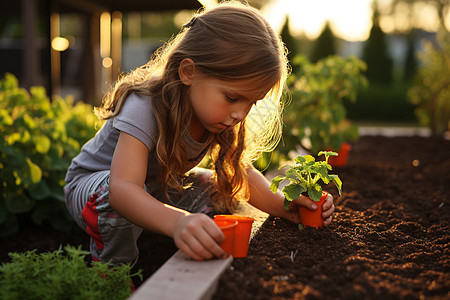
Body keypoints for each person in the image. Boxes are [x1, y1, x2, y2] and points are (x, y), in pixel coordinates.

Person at [64, 1, 335, 265]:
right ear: (189, 72)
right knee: (117, 199)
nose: (241, 113)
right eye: (232, 98)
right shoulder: (144, 106)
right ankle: (113, 271)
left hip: (153, 188)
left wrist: (286, 207)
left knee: (219, 186)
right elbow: (122, 190)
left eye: (252, 103)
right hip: (94, 191)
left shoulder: (216, 117)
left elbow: (240, 173)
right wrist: (178, 221)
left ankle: (177, 239)